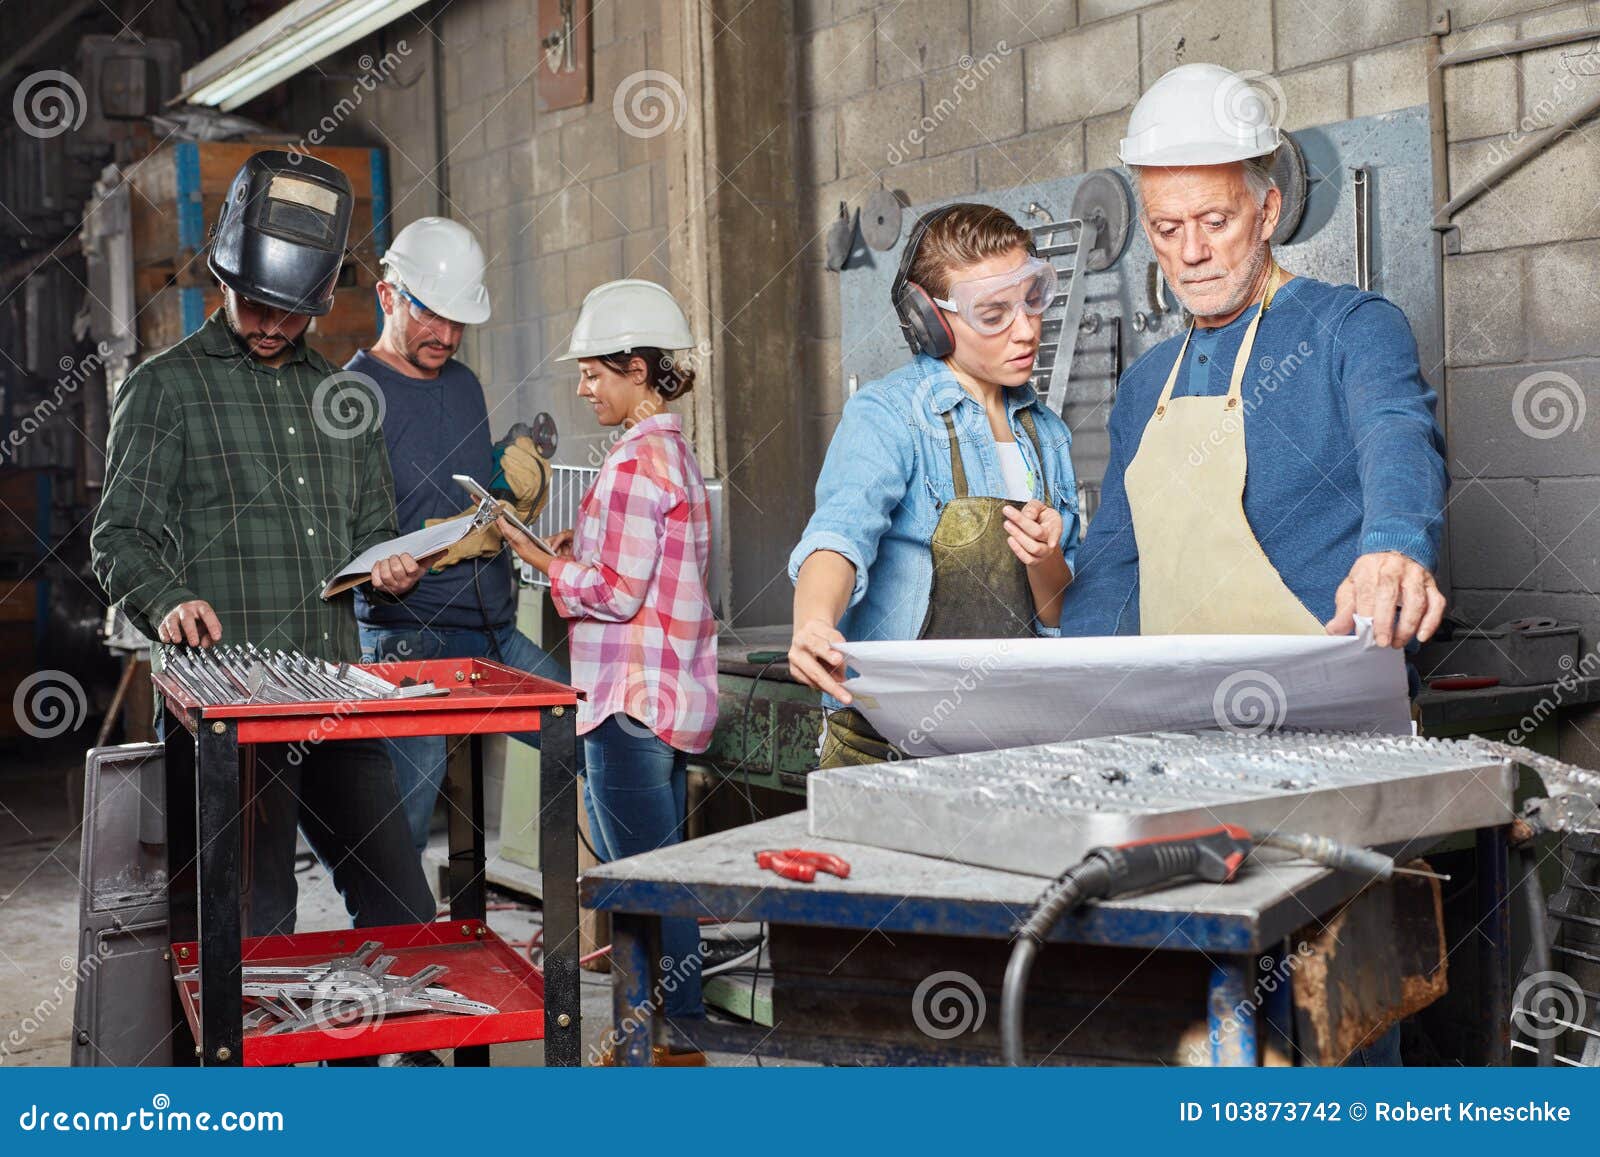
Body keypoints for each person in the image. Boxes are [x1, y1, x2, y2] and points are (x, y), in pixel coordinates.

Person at [91, 150, 435, 939]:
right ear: (224, 278)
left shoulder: (341, 398)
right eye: (258, 307)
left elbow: (370, 529)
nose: (275, 326)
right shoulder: (165, 389)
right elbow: (118, 537)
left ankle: (384, 1054)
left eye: (293, 313)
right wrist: (169, 597)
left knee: (408, 913)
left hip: (331, 699)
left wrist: (389, 565)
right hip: (228, 715)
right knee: (254, 927)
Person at [1058, 63, 1448, 654]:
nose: (1191, 253)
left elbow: (1397, 436)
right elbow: (1113, 566)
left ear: (1267, 212)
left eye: (1215, 222)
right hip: (1173, 716)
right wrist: (1080, 690)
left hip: (1327, 708)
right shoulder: (1144, 386)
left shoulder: (1352, 328)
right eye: (1167, 229)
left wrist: (1394, 547)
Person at [496, 279, 717, 1050]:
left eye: (593, 372)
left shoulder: (629, 465)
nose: (582, 387)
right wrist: (577, 550)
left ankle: (660, 1041)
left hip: (624, 703)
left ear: (635, 366)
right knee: (659, 881)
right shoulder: (674, 453)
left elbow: (617, 596)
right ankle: (657, 1037)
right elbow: (643, 573)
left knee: (643, 888)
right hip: (666, 697)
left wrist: (535, 557)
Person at [786, 202, 1081, 767]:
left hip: (1009, 734)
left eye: (1032, 301)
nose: (1026, 329)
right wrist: (815, 622)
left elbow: (1057, 614)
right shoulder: (889, 414)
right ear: (932, 321)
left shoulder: (1050, 435)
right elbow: (840, 535)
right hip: (886, 737)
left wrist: (1046, 557)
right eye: (993, 314)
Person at [350, 216, 570, 854]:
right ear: (389, 296)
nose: (447, 335)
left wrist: (517, 497)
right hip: (406, 643)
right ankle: (386, 950)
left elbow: (466, 498)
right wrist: (374, 567)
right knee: (400, 836)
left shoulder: (465, 385)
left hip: (493, 632)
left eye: (458, 321)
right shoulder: (349, 394)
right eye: (432, 316)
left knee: (583, 739)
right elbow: (331, 529)